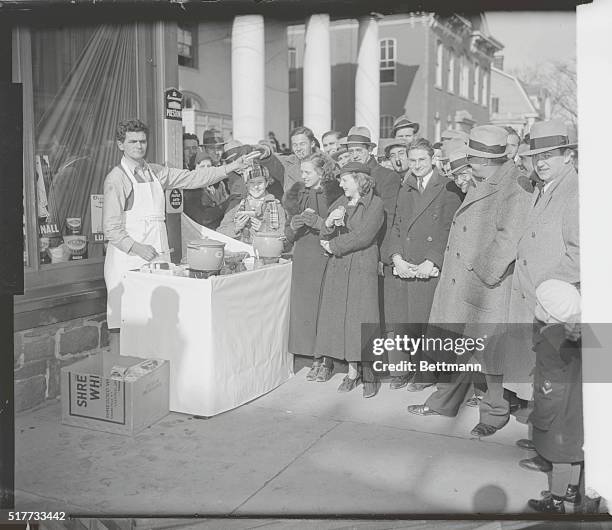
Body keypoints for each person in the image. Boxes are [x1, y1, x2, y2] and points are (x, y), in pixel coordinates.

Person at [407, 125, 534, 437]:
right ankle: (449, 401)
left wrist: (481, 273)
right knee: (463, 347)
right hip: (466, 282)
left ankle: (494, 414)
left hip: (488, 286)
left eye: (472, 158)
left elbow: (508, 239)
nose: (468, 164)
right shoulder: (488, 179)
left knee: (490, 355)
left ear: (487, 160)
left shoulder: (515, 187)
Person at [103, 118, 251, 352]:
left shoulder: (156, 172)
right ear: (120, 145)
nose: (139, 146)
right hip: (127, 261)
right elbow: (111, 229)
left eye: (142, 141)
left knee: (153, 322)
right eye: (132, 142)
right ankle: (120, 380)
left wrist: (229, 168)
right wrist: (137, 248)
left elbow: (194, 178)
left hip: (155, 258)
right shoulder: (117, 179)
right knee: (122, 324)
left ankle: (149, 379)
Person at [505, 118, 580, 414]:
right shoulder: (545, 188)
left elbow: (581, 256)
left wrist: (546, 288)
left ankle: (556, 452)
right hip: (538, 306)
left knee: (562, 384)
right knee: (545, 379)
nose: (541, 162)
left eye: (549, 155)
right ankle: (545, 443)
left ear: (568, 156)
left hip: (556, 307)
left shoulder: (575, 193)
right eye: (537, 156)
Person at [387, 139, 462, 390]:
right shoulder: (406, 186)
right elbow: (397, 225)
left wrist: (432, 259)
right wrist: (396, 257)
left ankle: (426, 375)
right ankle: (409, 371)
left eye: (421, 160)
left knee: (426, 322)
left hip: (428, 266)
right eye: (413, 160)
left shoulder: (447, 187)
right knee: (407, 321)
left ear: (432, 159)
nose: (416, 165)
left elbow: (447, 228)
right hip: (406, 264)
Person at [316, 162, 385, 398]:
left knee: (363, 318)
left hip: (361, 266)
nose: (340, 183)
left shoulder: (376, 204)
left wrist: (333, 245)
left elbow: (364, 236)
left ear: (359, 180)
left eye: (345, 179)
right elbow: (324, 233)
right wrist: (328, 223)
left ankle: (370, 374)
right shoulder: (341, 203)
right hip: (340, 267)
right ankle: (353, 372)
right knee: (344, 320)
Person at [283, 152, 343, 381]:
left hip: (324, 256)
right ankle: (312, 358)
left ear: (321, 172)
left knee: (323, 310)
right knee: (305, 310)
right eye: (302, 172)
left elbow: (342, 231)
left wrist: (319, 224)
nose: (303, 176)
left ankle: (325, 359)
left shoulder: (335, 194)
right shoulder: (297, 194)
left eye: (307, 172)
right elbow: (288, 235)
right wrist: (294, 226)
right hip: (303, 258)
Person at [526, 280, 582, 514]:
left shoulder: (550, 341)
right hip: (577, 406)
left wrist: (541, 414)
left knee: (560, 458)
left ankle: (556, 502)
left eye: (539, 304)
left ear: (548, 314)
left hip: (558, 410)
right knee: (575, 451)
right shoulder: (579, 333)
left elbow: (550, 385)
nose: (535, 306)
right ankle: (572, 491)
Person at [217, 164, 286, 244]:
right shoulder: (236, 205)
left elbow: (283, 236)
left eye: (260, 182)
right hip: (241, 251)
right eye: (252, 182)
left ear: (266, 183)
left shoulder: (276, 206)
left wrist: (264, 229)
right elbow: (220, 232)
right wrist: (235, 228)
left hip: (265, 251)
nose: (256, 187)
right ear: (246, 184)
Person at [183, 135, 230, 230]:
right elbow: (203, 218)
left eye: (209, 167)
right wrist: (228, 203)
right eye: (202, 167)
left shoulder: (219, 185)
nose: (206, 171)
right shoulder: (191, 190)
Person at [261, 126, 318, 192]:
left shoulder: (325, 165)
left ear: (312, 144)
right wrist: (264, 152)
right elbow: (271, 161)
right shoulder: (287, 164)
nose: (298, 148)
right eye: (295, 145)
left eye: (302, 144)